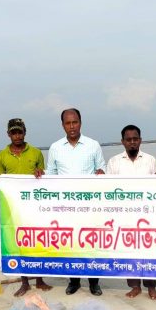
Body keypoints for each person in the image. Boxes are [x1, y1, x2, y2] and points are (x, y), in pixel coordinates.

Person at [0, 118, 52, 297]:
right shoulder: (1, 156)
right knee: (21, 243)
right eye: (13, 132)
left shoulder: (37, 153)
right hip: (15, 208)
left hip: (35, 205)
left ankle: (39, 279)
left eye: (20, 132)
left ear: (25, 132)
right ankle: (24, 282)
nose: (17, 136)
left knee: (38, 241)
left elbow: (43, 178)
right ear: (8, 134)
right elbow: (2, 180)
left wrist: (41, 173)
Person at [46, 108, 106, 296]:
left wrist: (101, 174)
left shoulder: (93, 145)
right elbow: (51, 176)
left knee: (91, 243)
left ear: (81, 122)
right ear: (62, 125)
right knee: (70, 243)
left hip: (90, 205)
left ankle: (94, 283)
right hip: (66, 207)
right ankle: (73, 281)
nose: (72, 126)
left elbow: (101, 169)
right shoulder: (55, 147)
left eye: (75, 122)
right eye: (68, 123)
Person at [106, 124, 156, 300]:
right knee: (129, 251)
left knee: (149, 250)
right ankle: (135, 286)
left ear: (140, 140)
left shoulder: (150, 160)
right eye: (128, 139)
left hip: (147, 216)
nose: (132, 142)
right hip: (124, 216)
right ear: (122, 142)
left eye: (135, 139)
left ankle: (151, 286)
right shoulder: (114, 162)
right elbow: (108, 190)